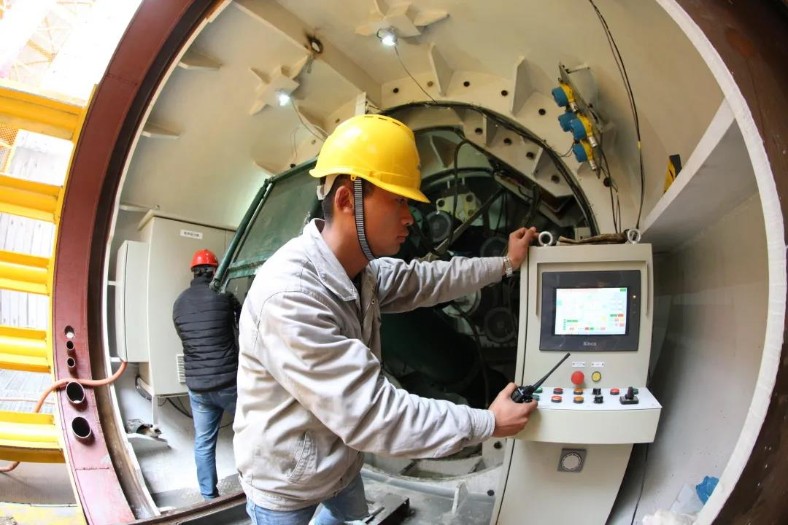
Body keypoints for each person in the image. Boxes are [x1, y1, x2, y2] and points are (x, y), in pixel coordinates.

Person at [234, 114, 539, 524]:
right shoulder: (291, 297)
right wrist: (489, 423)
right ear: (346, 200)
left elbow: (428, 279)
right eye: (398, 201)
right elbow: (372, 414)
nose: (409, 217)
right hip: (288, 480)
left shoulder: (362, 272)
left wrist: (504, 264)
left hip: (341, 463)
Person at [172, 248, 241, 500]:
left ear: (193, 272)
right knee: (250, 430)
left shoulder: (179, 303)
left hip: (198, 387)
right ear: (214, 271)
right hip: (228, 383)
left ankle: (208, 495)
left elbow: (185, 337)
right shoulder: (224, 297)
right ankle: (259, 486)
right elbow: (242, 324)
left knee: (203, 442)